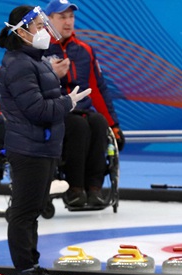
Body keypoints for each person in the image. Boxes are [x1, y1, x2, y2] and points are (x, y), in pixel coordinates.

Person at [0, 5, 88, 275]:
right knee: (24, 212)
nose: (43, 31)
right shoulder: (19, 63)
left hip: (42, 146)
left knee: (33, 210)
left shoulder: (32, 61)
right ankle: (25, 271)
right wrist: (67, 103)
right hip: (28, 148)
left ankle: (33, 265)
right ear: (22, 31)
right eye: (37, 25)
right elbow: (36, 109)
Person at [45, 0, 125, 207]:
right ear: (49, 19)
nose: (68, 22)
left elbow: (97, 89)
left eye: (71, 17)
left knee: (99, 123)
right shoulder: (40, 50)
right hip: (56, 109)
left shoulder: (85, 50)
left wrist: (114, 125)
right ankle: (75, 188)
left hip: (82, 108)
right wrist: (51, 74)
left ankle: (94, 188)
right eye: (62, 17)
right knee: (78, 126)